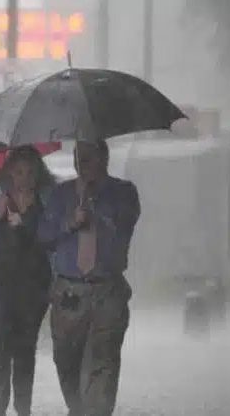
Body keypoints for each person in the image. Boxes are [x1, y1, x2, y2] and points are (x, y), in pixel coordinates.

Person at [37, 139, 140, 416]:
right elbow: (44, 235)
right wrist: (70, 222)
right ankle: (78, 407)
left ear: (104, 159)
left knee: (103, 361)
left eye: (89, 157)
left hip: (107, 290)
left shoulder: (123, 192)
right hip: (69, 291)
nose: (82, 164)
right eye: (78, 157)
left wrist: (95, 210)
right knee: (65, 358)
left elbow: (125, 224)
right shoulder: (61, 195)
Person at [0, 145, 55, 416]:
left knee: (26, 349)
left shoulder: (48, 200)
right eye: (18, 172)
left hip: (32, 287)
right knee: (0, 348)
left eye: (30, 172)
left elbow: (53, 240)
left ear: (39, 174)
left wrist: (25, 224)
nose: (24, 179)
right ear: (8, 172)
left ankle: (23, 410)